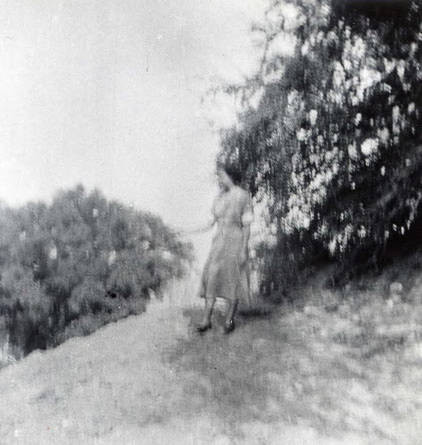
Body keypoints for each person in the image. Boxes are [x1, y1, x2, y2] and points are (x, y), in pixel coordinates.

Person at [194, 162, 253, 334]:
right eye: (218, 176)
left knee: (232, 279)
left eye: (222, 175)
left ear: (230, 175)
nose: (219, 179)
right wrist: (187, 229)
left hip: (235, 242)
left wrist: (243, 249)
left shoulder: (243, 196)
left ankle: (229, 320)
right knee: (211, 277)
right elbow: (211, 222)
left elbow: (247, 225)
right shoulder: (218, 198)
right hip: (218, 243)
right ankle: (206, 320)